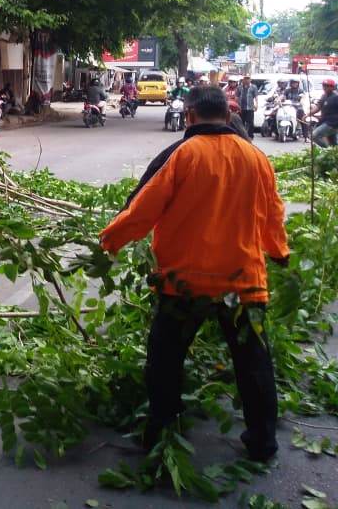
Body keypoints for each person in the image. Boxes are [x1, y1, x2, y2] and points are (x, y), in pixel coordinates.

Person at [100, 85, 288, 462]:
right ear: (228, 114)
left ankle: (161, 431)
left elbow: (143, 210)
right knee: (253, 363)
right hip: (243, 283)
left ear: (189, 116)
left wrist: (109, 241)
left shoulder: (184, 155)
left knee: (166, 359)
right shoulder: (256, 158)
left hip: (184, 283)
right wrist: (279, 252)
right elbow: (272, 213)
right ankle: (263, 443)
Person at [309, 77, 338, 147]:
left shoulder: (336, 97)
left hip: (333, 123)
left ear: (332, 87)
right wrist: (308, 114)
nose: (324, 87)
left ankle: (327, 150)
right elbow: (318, 107)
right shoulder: (324, 96)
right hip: (324, 121)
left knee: (314, 135)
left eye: (327, 86)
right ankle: (333, 153)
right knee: (333, 142)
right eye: (324, 85)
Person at [235, 75, 259, 139]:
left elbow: (256, 96)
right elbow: (236, 97)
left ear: (250, 79)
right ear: (243, 79)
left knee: (250, 122)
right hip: (241, 108)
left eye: (248, 78)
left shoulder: (254, 87)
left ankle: (250, 135)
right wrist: (236, 105)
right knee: (241, 122)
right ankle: (242, 135)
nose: (246, 80)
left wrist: (256, 104)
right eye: (245, 78)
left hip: (250, 108)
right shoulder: (239, 87)